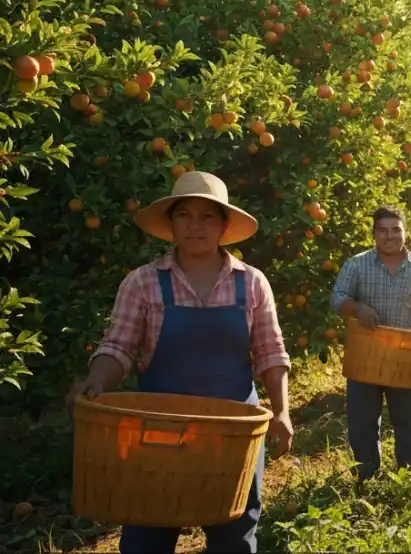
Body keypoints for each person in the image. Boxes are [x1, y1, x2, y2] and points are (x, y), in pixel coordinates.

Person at [65, 171, 293, 554]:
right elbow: (118, 346)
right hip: (158, 432)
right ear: (171, 225)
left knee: (233, 535)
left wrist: (283, 410)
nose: (195, 225)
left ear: (223, 225)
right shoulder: (143, 283)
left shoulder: (251, 283)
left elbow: (271, 352)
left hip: (232, 434)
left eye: (207, 217)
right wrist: (97, 381)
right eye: (184, 215)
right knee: (147, 533)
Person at [330, 206, 411, 482]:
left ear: (405, 232)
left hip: (406, 358)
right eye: (382, 230)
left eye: (396, 229)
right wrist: (357, 308)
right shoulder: (357, 264)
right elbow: (337, 298)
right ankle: (366, 477)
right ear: (374, 234)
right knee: (362, 424)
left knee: (409, 422)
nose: (390, 236)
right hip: (366, 356)